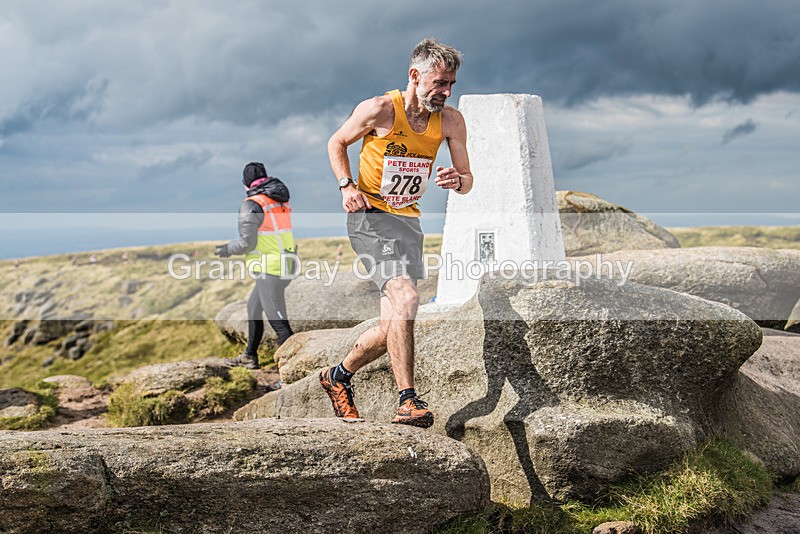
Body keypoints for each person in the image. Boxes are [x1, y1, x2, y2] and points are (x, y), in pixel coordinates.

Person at [321, 38, 474, 428]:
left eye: (451, 84)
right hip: (370, 216)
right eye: (439, 82)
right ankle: (407, 399)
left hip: (408, 221)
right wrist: (346, 186)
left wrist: (458, 179)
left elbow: (468, 179)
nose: (445, 91)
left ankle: (338, 375)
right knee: (406, 296)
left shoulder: (451, 121)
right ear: (415, 76)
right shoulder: (379, 109)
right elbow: (336, 141)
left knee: (395, 323)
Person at [215, 162, 296, 369]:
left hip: (270, 268)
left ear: (245, 184)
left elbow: (246, 243)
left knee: (279, 324)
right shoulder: (277, 200)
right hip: (286, 262)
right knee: (253, 308)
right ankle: (249, 356)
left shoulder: (251, 204)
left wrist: (227, 249)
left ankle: (292, 372)